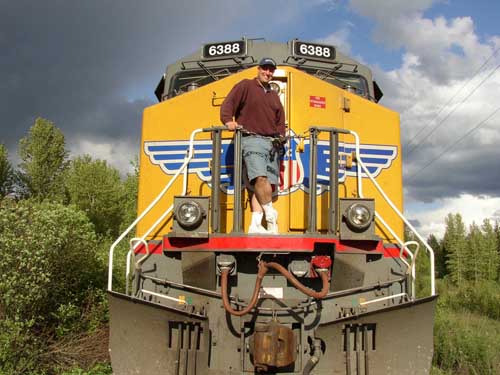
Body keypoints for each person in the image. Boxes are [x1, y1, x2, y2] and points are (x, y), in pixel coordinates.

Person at [220, 57, 286, 234]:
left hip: (271, 143)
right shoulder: (246, 85)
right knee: (259, 178)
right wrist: (228, 121)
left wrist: (281, 137)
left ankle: (255, 225)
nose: (268, 73)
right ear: (258, 69)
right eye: (265, 69)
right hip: (252, 139)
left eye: (271, 70)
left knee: (266, 184)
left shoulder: (273, 95)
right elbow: (229, 104)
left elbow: (280, 120)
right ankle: (271, 215)